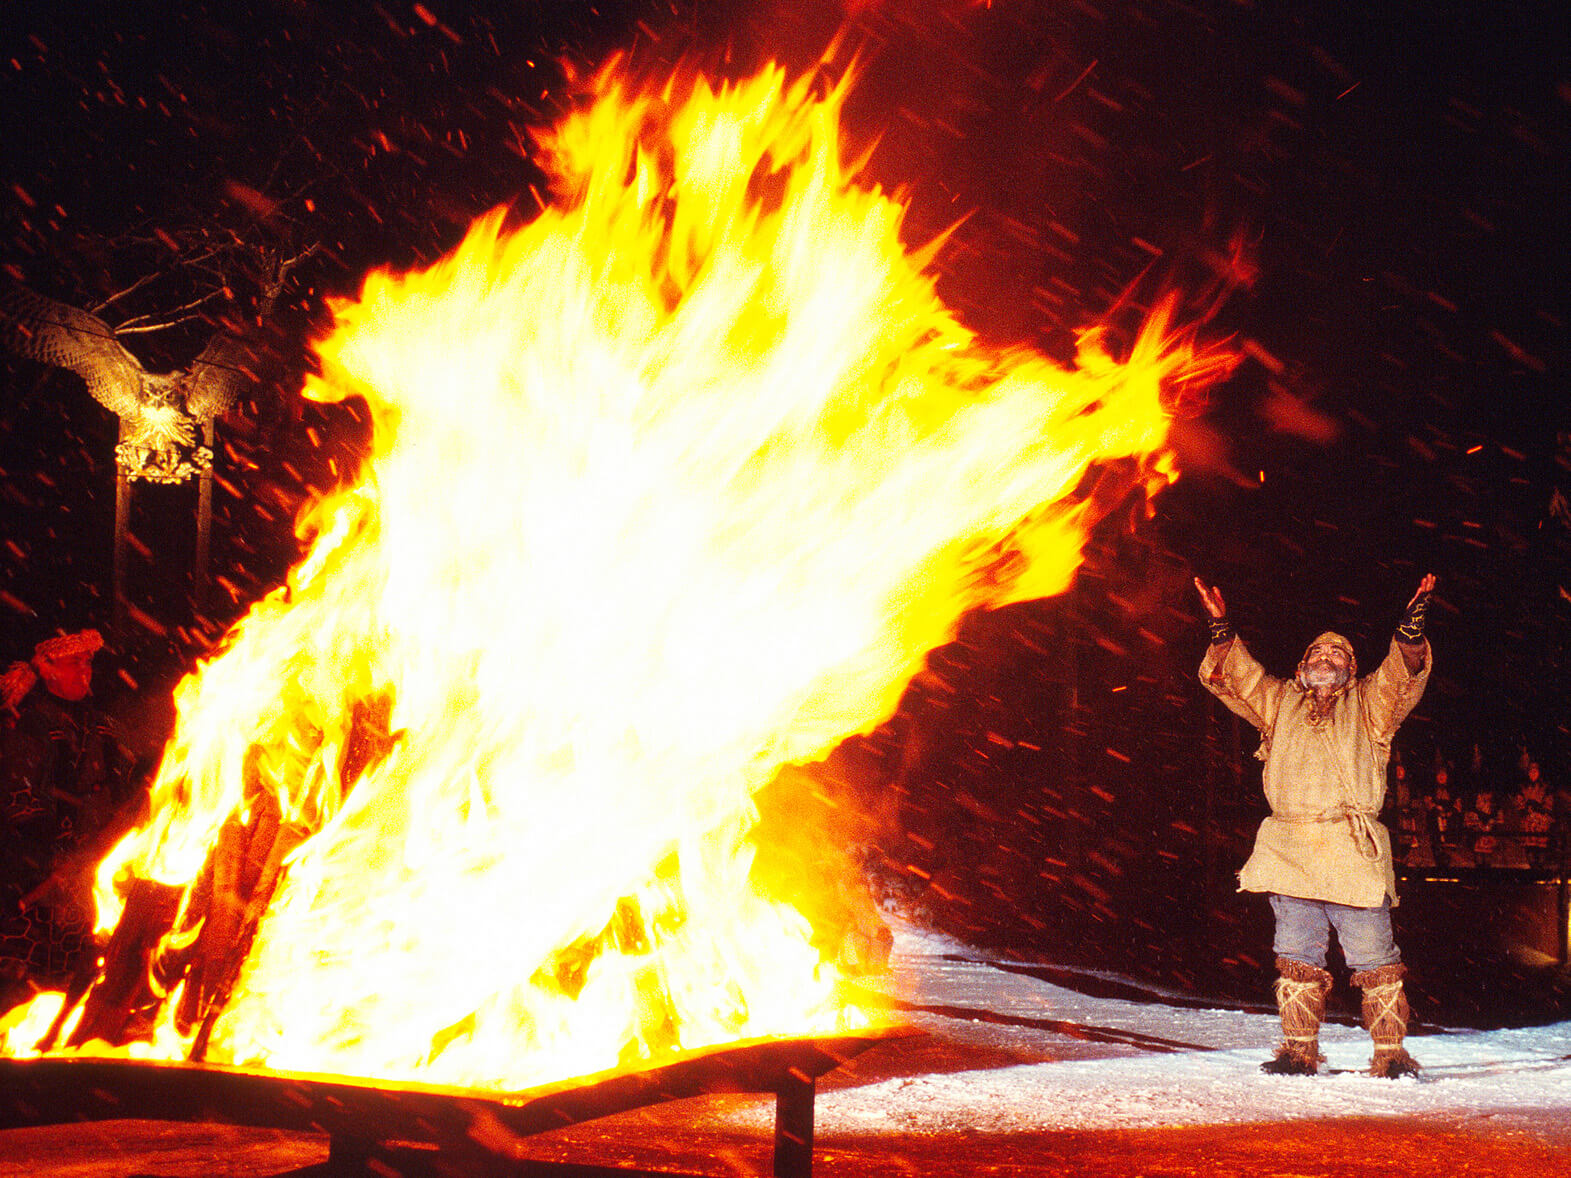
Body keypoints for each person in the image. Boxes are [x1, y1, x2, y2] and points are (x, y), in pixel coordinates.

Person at [1194, 573, 1435, 1078]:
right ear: (1302, 669)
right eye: (1317, 654)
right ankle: (1297, 1051)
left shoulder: (1370, 707)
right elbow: (1239, 678)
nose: (1327, 658)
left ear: (1350, 671)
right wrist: (1221, 628)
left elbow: (1400, 676)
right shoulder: (1280, 703)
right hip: (1291, 846)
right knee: (1296, 953)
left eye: (1338, 655)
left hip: (1350, 849)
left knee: (1375, 958)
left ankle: (1390, 1055)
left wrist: (1411, 628)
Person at [0, 629, 132, 1006]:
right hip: (38, 879)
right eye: (75, 661)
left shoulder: (100, 722)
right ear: (49, 669)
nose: (85, 670)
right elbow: (19, 802)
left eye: (89, 661)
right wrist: (48, 860)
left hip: (91, 865)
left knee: (81, 968)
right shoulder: (33, 724)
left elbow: (121, 786)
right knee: (26, 982)